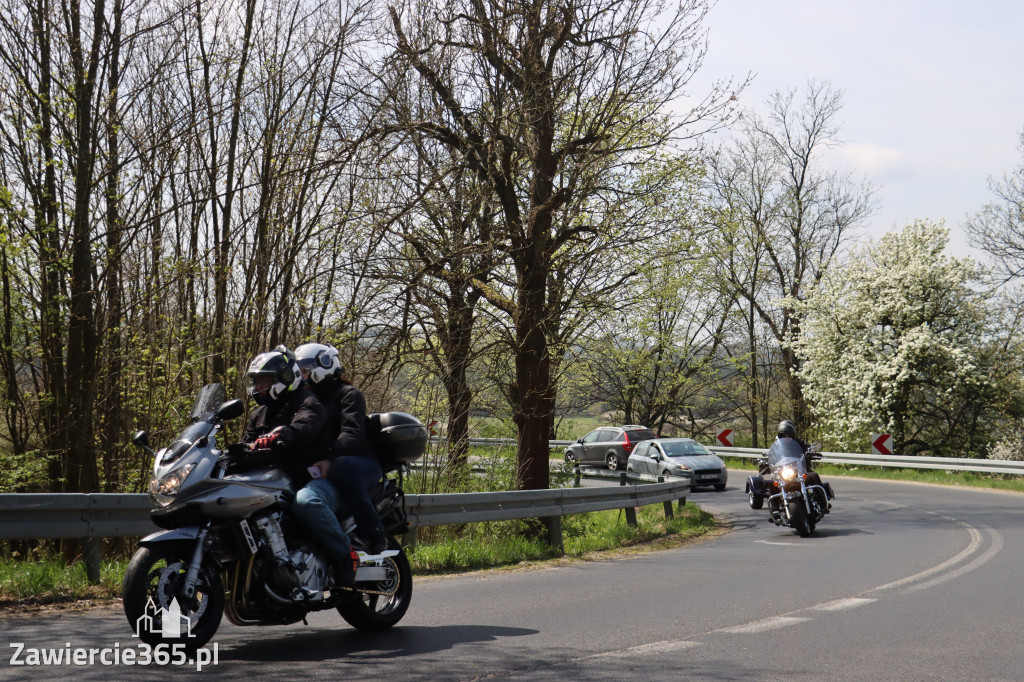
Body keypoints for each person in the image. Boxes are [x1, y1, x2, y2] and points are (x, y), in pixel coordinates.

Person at [242, 346, 358, 586]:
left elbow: (306, 424)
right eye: (255, 382)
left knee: (306, 502)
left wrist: (286, 433)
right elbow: (248, 442)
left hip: (307, 477)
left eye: (264, 381)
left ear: (283, 379)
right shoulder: (259, 413)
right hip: (274, 479)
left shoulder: (306, 401)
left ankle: (344, 557)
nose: (258, 388)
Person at [294, 342, 389, 556]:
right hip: (329, 466)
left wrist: (329, 457)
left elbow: (352, 433)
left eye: (306, 368)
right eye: (299, 369)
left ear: (325, 364)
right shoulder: (306, 401)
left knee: (341, 466)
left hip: (361, 463)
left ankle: (374, 533)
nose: (303, 374)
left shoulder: (349, 394)